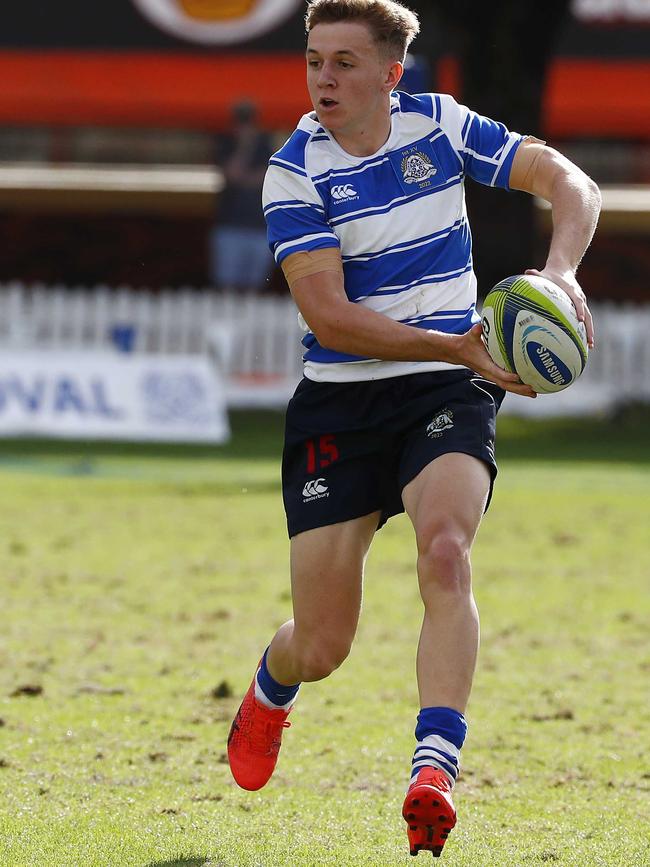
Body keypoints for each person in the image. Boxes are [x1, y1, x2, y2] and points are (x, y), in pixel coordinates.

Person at [227, 0, 600, 857]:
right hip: (343, 403)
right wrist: (463, 344)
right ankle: (272, 686)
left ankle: (434, 766)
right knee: (323, 644)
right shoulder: (294, 170)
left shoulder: (439, 124)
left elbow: (571, 182)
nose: (324, 77)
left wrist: (560, 274)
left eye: (345, 62)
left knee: (445, 550)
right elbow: (331, 315)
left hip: (445, 388)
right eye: (315, 59)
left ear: (393, 74)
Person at [210, 99, 274, 291]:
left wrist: (246, 176)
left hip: (259, 226)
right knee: (226, 285)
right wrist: (244, 146)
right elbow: (233, 174)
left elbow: (268, 177)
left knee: (255, 286)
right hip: (230, 225)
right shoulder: (225, 142)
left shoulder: (265, 142)